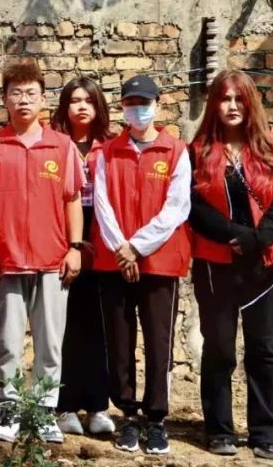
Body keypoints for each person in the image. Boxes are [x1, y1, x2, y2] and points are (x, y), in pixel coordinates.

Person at [189, 70, 273, 461]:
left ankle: (267, 430)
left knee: (263, 349)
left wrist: (256, 239)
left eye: (239, 98)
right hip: (214, 263)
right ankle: (219, 430)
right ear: (214, 104)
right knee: (219, 349)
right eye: (224, 98)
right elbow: (193, 207)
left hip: (262, 264)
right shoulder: (198, 150)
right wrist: (233, 234)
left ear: (250, 103)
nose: (232, 106)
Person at [0, 61, 83, 445]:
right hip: (6, 259)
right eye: (16, 93)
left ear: (43, 99)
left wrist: (75, 247)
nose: (23, 100)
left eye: (30, 94)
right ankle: (8, 409)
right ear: (4, 100)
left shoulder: (61, 145)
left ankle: (42, 411)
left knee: (50, 343)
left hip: (52, 259)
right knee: (7, 342)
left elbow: (72, 198)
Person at [93, 75, 192, 456]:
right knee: (119, 342)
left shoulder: (175, 151)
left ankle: (156, 419)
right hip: (114, 260)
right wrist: (122, 248)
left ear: (158, 104)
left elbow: (176, 208)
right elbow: (102, 204)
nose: (138, 110)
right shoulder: (107, 152)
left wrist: (136, 247)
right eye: (131, 103)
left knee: (158, 343)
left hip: (159, 262)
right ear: (122, 107)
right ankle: (128, 415)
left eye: (144, 103)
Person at [50, 77, 116, 437]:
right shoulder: (54, 144)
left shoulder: (111, 146)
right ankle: (64, 406)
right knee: (66, 326)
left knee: (98, 326)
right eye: (74, 100)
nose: (81, 107)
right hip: (64, 236)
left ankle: (97, 406)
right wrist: (71, 242)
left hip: (103, 236)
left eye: (88, 100)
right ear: (65, 107)